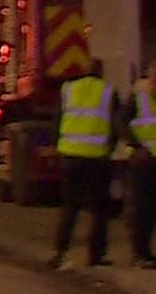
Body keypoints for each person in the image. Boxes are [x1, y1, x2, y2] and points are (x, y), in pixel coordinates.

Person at [49, 59, 116, 270]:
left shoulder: (68, 89)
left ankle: (60, 252)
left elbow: (57, 120)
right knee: (99, 209)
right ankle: (96, 255)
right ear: (101, 72)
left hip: (71, 157)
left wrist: (56, 147)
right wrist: (109, 148)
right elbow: (115, 125)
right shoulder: (107, 92)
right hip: (97, 158)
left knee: (70, 207)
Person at [121, 59, 156, 269]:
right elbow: (121, 122)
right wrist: (136, 147)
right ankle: (139, 254)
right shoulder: (139, 96)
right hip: (142, 162)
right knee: (140, 210)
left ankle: (146, 253)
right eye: (155, 75)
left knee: (152, 211)